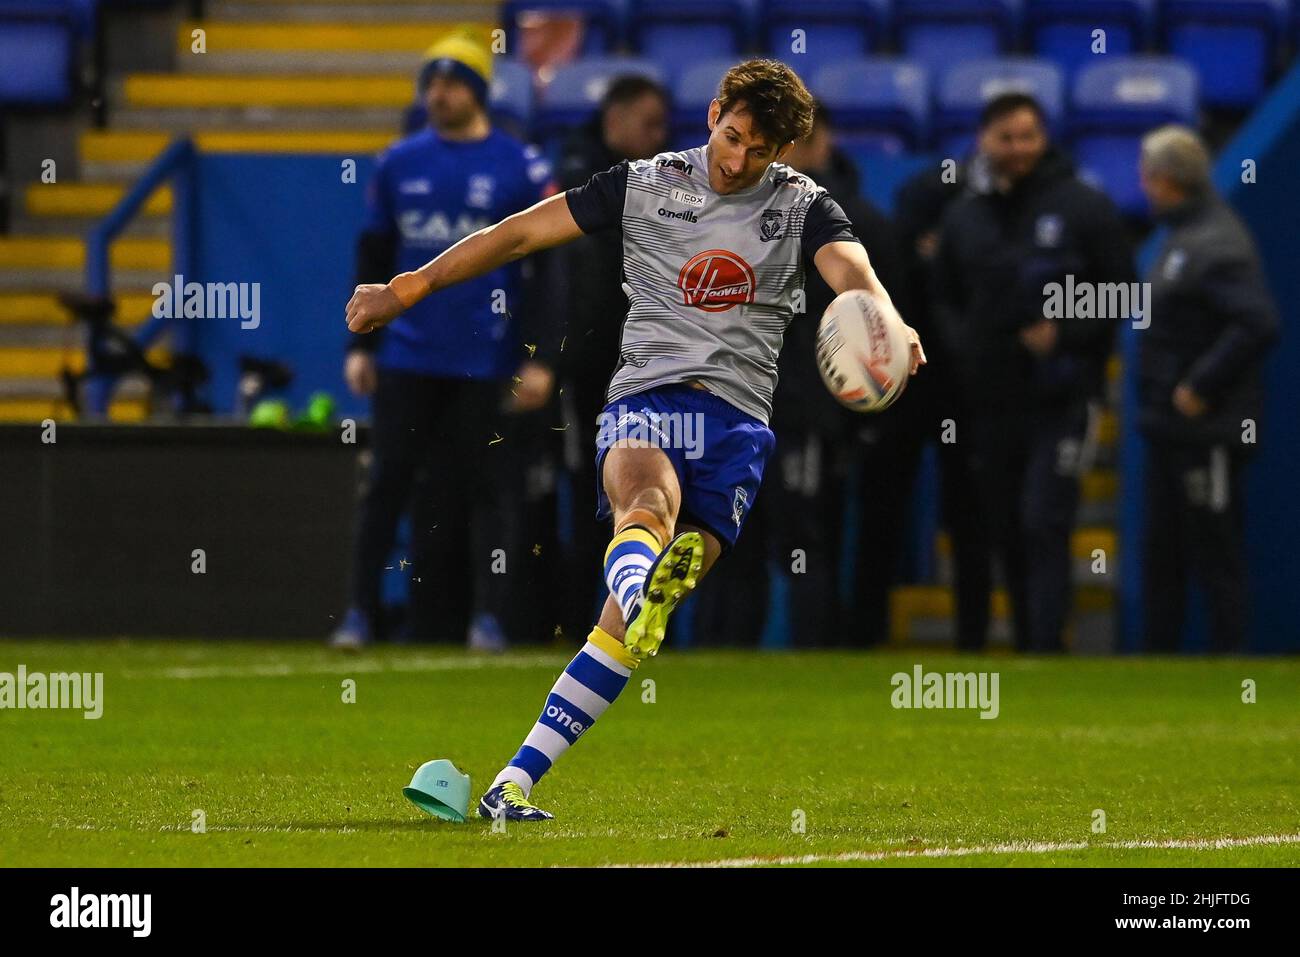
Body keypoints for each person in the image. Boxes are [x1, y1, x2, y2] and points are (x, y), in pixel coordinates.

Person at [345, 59, 924, 820]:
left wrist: (883, 319)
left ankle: (512, 783)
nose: (739, 160)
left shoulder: (802, 205)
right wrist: (411, 284)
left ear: (784, 153)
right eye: (734, 135)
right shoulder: (646, 183)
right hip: (648, 397)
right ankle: (642, 582)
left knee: (623, 629)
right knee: (647, 503)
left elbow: (852, 271)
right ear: (715, 110)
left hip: (738, 425)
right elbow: (521, 233)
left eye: (761, 151)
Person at [331, 34, 557, 650]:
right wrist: (360, 346)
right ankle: (359, 613)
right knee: (387, 484)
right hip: (407, 353)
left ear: (479, 91)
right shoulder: (399, 162)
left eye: (453, 81)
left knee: (488, 491)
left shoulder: (521, 166)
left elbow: (544, 269)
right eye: (431, 82)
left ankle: (487, 618)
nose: (439, 93)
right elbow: (374, 254)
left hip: (486, 358)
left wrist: (539, 358)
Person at [933, 93, 1133, 653]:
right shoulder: (964, 215)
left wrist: (1065, 332)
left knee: (1044, 519)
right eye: (1006, 137)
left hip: (1063, 396)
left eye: (1028, 136)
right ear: (984, 141)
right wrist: (966, 347)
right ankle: (1027, 645)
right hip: (991, 402)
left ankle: (1048, 646)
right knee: (1006, 527)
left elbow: (1122, 291)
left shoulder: (1083, 206)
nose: (1018, 149)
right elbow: (943, 298)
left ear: (1043, 139)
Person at [767, 100, 910, 647]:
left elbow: (890, 318)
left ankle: (817, 647)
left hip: (813, 409)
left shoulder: (858, 222)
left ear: (819, 141)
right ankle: (756, 645)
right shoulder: (753, 216)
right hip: (759, 401)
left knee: (808, 532)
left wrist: (868, 415)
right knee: (767, 536)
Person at [1136, 125, 1278, 653]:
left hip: (1207, 432)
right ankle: (1156, 666)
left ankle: (1229, 666)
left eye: (1148, 175)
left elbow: (1259, 323)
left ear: (1164, 179)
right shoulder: (1184, 237)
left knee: (1215, 553)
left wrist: (1200, 385)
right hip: (1171, 430)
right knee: (1165, 554)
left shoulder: (1217, 243)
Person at [554, 75, 671, 642]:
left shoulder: (659, 185)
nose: (658, 138)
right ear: (616, 117)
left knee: (643, 499)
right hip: (590, 371)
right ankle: (590, 620)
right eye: (648, 125)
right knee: (592, 498)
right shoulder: (591, 183)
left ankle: (625, 613)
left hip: (644, 368)